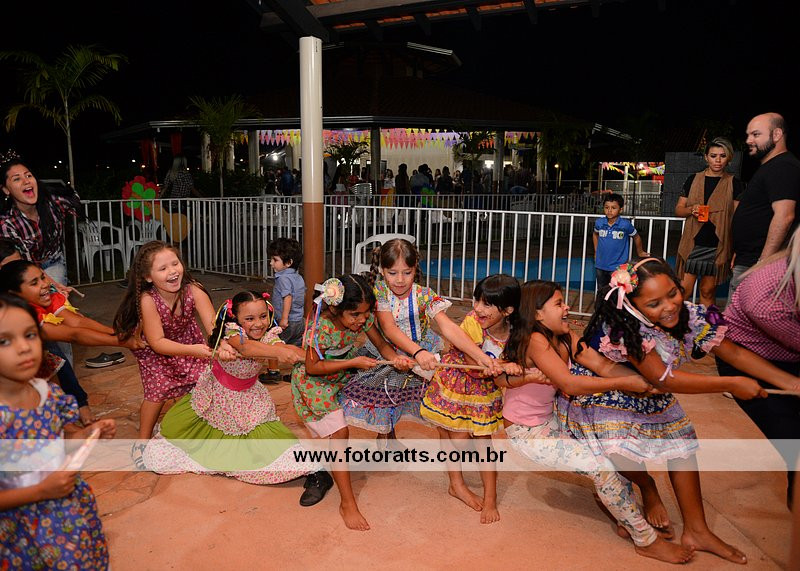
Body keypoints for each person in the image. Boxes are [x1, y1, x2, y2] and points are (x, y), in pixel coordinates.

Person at [565, 257, 782, 564]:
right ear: (632, 306)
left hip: (652, 391)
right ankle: (647, 486)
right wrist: (732, 383)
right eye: (654, 303)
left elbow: (733, 353)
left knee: (682, 447)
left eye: (673, 293)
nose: (669, 306)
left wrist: (791, 383)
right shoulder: (624, 327)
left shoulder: (691, 314)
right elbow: (664, 378)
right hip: (608, 391)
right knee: (617, 449)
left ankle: (697, 530)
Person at [500, 280, 694, 564]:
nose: (567, 307)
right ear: (538, 313)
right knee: (601, 468)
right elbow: (569, 383)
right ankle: (646, 540)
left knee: (609, 447)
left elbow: (602, 365)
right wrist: (625, 382)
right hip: (528, 433)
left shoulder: (564, 336)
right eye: (559, 303)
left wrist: (645, 381)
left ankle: (626, 514)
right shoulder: (535, 340)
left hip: (553, 420)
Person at [143, 290, 334, 505]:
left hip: (248, 401)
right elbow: (246, 347)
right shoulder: (231, 333)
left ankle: (316, 472)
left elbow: (280, 346)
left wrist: (306, 355)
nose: (258, 324)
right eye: (249, 318)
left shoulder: (269, 335)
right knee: (166, 447)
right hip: (214, 396)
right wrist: (279, 353)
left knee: (274, 443)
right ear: (236, 318)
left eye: (263, 316)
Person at [342, 239, 499, 445]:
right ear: (381, 270)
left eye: (407, 272)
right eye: (393, 273)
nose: (400, 280)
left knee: (435, 405)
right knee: (387, 402)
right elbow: (389, 328)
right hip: (390, 352)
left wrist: (480, 357)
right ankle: (387, 441)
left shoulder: (424, 295)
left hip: (423, 354)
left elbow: (448, 327)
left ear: (415, 268)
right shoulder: (379, 292)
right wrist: (418, 352)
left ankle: (446, 448)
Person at [0, 293, 116, 569]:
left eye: (30, 335)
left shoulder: (48, 392)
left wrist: (87, 434)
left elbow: (61, 437)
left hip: (65, 513)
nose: (24, 347)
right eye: (4, 341)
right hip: (19, 527)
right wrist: (40, 491)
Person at [290, 274, 414, 530]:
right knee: (340, 432)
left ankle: (387, 439)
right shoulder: (320, 326)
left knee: (387, 381)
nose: (361, 320)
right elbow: (312, 367)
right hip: (316, 383)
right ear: (336, 308)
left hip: (343, 373)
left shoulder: (363, 318)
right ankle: (347, 503)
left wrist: (396, 359)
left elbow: (381, 344)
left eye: (366, 313)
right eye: (355, 315)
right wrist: (353, 362)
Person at [420, 274, 524, 524]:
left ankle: (490, 498)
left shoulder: (517, 332)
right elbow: (470, 362)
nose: (477, 308)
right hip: (454, 384)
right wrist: (502, 365)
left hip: (484, 393)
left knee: (484, 444)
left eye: (487, 304)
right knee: (454, 439)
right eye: (477, 300)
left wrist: (512, 365)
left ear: (508, 310)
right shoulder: (472, 322)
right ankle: (456, 484)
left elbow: (517, 359)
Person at [113, 241, 230, 450]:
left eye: (175, 263)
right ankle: (142, 443)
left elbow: (214, 327)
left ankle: (188, 430)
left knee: (200, 383)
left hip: (187, 341)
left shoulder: (194, 290)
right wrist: (194, 350)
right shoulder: (148, 300)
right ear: (148, 277)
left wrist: (222, 344)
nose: (173, 271)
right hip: (155, 350)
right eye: (163, 268)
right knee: (158, 391)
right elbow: (158, 343)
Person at [0, 259, 142, 425]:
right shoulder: (15, 316)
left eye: (42, 277)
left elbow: (77, 322)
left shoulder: (44, 297)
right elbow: (73, 335)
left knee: (54, 362)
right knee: (54, 362)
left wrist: (118, 333)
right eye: (34, 283)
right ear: (14, 293)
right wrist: (124, 342)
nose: (45, 284)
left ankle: (70, 415)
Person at [718, 225, 800, 505]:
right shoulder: (765, 300)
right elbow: (732, 354)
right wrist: (792, 383)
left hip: (788, 359)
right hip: (749, 361)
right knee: (795, 444)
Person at [729, 112, 800, 299]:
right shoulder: (771, 167)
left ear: (776, 135)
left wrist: (762, 263)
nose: (749, 140)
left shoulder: (783, 167)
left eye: (756, 134)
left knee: (742, 317)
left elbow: (784, 216)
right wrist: (741, 251)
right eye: (748, 135)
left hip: (761, 265)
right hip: (749, 259)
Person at [675, 137, 744, 308]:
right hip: (693, 243)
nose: (718, 160)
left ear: (729, 158)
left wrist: (737, 248)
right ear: (706, 157)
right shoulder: (693, 180)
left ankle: (706, 324)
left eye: (722, 156)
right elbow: (679, 210)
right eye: (713, 156)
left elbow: (738, 219)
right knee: (683, 290)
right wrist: (691, 209)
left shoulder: (735, 184)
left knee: (707, 291)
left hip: (717, 245)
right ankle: (677, 322)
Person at [593, 193, 649, 291]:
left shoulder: (625, 225)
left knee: (617, 292)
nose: (609, 210)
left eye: (613, 208)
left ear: (621, 209)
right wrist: (596, 251)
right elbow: (595, 234)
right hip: (600, 265)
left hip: (618, 267)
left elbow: (636, 237)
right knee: (602, 290)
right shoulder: (599, 223)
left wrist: (640, 251)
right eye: (606, 207)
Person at [267, 237, 306, 347]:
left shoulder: (283, 278)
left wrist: (284, 319)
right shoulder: (298, 277)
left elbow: (287, 297)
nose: (271, 263)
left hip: (286, 322)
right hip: (299, 321)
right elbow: (303, 294)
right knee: (296, 345)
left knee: (279, 345)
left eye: (275, 260)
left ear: (288, 263)